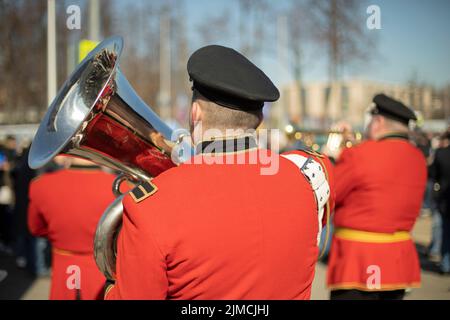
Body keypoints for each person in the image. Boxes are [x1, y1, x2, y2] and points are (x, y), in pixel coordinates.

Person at [105, 45, 335, 300]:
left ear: (195, 114)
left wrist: (108, 287)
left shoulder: (150, 207)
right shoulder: (308, 182)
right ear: (259, 119)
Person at [327, 94, 427, 300]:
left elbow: (329, 192)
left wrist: (330, 156)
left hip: (357, 260)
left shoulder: (359, 154)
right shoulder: (418, 158)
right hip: (398, 261)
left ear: (378, 121)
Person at [28, 158, 116, 299]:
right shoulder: (120, 187)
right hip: (102, 268)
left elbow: (36, 228)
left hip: (63, 263)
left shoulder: (41, 184)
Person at [429, 130, 450, 274]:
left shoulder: (441, 153)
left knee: (444, 230)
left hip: (444, 197)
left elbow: (432, 174)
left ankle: (446, 263)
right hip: (444, 197)